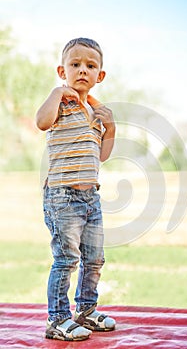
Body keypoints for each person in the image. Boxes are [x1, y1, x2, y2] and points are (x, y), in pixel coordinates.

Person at [36, 37, 116, 341]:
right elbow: (41, 122)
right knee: (66, 259)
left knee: (94, 258)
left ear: (100, 75)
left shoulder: (96, 113)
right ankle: (57, 318)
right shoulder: (61, 103)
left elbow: (102, 155)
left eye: (90, 65)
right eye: (75, 64)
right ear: (62, 70)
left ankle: (85, 310)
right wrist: (56, 93)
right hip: (62, 195)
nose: (82, 70)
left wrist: (111, 128)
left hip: (90, 197)